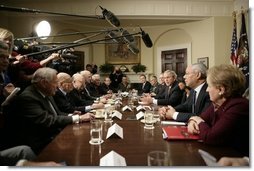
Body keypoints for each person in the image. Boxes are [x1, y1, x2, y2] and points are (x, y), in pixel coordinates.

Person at [7, 67, 95, 154]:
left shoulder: (46, 92)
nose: (57, 86)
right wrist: (78, 118)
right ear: (44, 83)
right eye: (55, 82)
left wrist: (73, 116)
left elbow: (57, 113)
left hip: (54, 134)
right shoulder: (28, 97)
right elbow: (47, 120)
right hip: (42, 143)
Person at [187, 64, 249, 156]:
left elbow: (210, 137)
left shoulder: (239, 106)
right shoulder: (218, 103)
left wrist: (198, 121)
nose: (207, 90)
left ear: (221, 89)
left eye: (209, 86)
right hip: (219, 153)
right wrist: (192, 121)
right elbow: (200, 117)